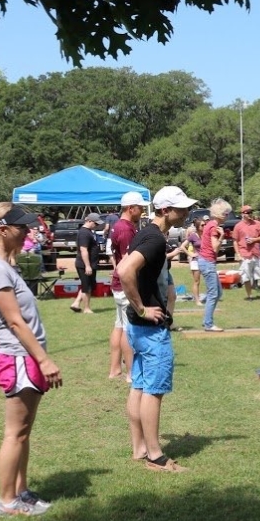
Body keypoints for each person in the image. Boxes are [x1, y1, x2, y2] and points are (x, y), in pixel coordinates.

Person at [0, 203, 63, 516]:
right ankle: (7, 501)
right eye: (22, 227)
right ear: (3, 229)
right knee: (15, 433)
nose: (29, 232)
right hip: (20, 358)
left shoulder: (3, 264)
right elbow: (13, 322)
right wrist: (44, 360)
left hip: (18, 356)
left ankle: (21, 491)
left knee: (23, 431)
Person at [118, 186, 197, 472]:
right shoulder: (152, 239)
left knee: (139, 386)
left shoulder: (146, 234)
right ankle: (155, 456)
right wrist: (141, 307)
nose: (187, 213)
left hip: (137, 328)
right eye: (181, 209)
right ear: (165, 210)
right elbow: (125, 271)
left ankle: (140, 448)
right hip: (149, 328)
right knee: (153, 391)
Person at [109, 192, 145, 379]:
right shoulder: (125, 229)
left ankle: (115, 368)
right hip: (123, 284)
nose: (142, 211)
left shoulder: (119, 226)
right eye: (140, 208)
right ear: (131, 208)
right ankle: (131, 372)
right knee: (127, 328)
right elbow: (127, 262)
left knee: (119, 325)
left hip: (117, 283)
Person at [198, 198, 231, 333]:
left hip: (205, 261)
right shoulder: (214, 227)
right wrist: (222, 236)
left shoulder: (210, 224)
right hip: (207, 262)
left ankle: (206, 314)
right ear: (221, 214)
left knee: (218, 293)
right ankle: (208, 324)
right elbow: (215, 247)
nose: (228, 216)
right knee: (213, 294)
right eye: (226, 213)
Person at [233, 205, 260, 301]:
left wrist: (255, 240)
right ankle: (249, 296)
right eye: (248, 212)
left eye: (251, 212)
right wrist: (237, 253)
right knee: (246, 276)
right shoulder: (238, 226)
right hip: (245, 254)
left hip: (257, 253)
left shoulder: (257, 224)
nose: (250, 214)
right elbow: (235, 240)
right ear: (243, 214)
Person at [71, 212, 101, 314]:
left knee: (88, 285)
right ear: (89, 221)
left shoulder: (87, 232)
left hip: (89, 264)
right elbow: (83, 250)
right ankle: (87, 308)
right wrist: (87, 266)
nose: (96, 226)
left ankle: (76, 303)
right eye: (95, 224)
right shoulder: (84, 233)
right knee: (87, 287)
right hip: (84, 265)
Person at [184, 218, 204, 304]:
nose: (204, 226)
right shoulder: (193, 236)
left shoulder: (206, 235)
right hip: (196, 261)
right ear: (198, 226)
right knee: (197, 281)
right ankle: (197, 300)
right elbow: (182, 246)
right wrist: (191, 254)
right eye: (202, 225)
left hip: (205, 260)